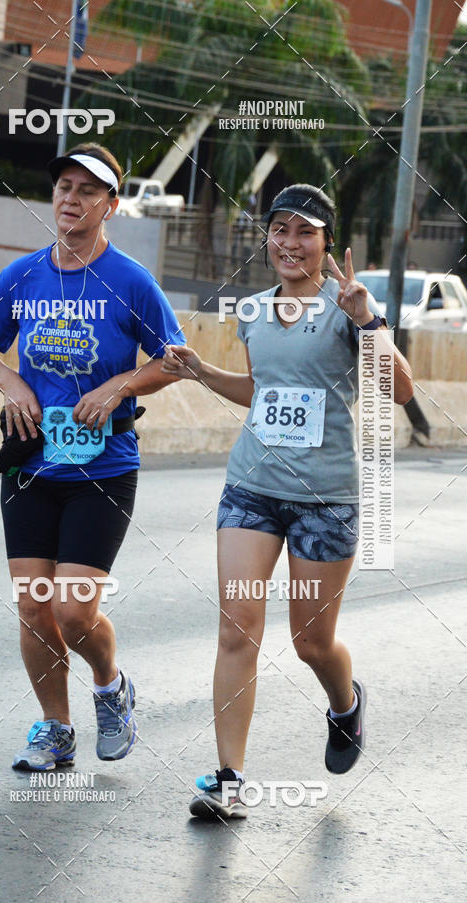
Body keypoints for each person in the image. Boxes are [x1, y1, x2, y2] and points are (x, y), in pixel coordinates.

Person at [161, 183, 414, 818]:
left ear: (328, 242)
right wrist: (200, 371)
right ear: (267, 237)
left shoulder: (349, 305)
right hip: (252, 489)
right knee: (236, 627)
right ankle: (228, 780)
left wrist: (370, 321)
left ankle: (345, 704)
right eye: (280, 230)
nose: (290, 243)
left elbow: (400, 390)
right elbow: (261, 390)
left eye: (305, 231)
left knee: (310, 641)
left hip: (325, 500)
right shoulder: (250, 310)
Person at [0, 143, 184, 771]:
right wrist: (12, 383)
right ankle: (54, 729)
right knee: (36, 605)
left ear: (110, 205)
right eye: (64, 186)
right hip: (33, 462)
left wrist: (118, 386)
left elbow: (174, 359)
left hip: (104, 466)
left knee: (72, 608)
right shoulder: (24, 274)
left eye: (88, 191)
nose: (72, 198)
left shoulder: (131, 282)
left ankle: (111, 687)